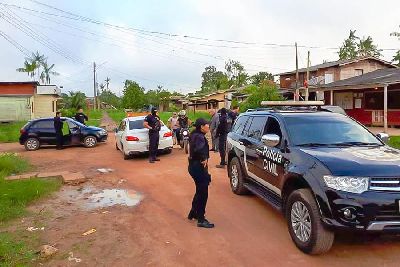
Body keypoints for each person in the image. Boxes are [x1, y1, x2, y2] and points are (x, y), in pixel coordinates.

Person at [188, 118, 214, 228]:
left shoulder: (195, 135)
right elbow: (198, 149)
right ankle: (201, 219)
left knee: (199, 190)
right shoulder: (199, 137)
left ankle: (193, 212)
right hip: (198, 166)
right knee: (203, 193)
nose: (208, 126)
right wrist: (204, 158)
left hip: (193, 166)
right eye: (207, 125)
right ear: (201, 127)